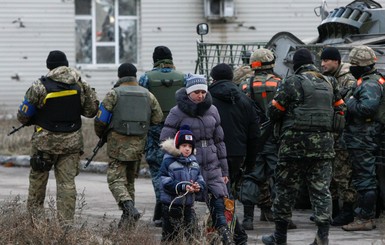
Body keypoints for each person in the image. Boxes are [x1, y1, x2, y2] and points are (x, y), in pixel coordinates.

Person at [261, 48, 345, 245]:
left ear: (295, 65)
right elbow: (341, 110)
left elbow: (273, 112)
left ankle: (280, 237)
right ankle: (322, 236)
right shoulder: (329, 82)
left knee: (285, 189)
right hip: (324, 147)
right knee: (321, 191)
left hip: (293, 148)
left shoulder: (291, 82)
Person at [160, 73, 246, 245]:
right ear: (189, 92)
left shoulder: (213, 110)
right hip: (190, 166)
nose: (200, 95)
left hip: (213, 165)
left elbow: (219, 141)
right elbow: (166, 140)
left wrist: (224, 171)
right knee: (184, 209)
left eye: (203, 92)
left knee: (220, 204)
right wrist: (179, 158)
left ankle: (232, 237)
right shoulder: (177, 112)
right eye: (196, 92)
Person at [16, 50, 99, 224]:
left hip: (44, 145)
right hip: (71, 144)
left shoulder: (39, 86)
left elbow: (22, 116)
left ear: (49, 67)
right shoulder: (80, 84)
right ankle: (65, 226)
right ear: (66, 65)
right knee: (67, 185)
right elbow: (91, 111)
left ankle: (35, 224)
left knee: (38, 183)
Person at [94, 63, 163, 228]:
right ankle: (128, 220)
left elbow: (100, 120)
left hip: (117, 143)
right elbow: (158, 117)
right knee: (130, 181)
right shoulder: (148, 95)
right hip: (139, 143)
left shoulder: (113, 94)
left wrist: (102, 134)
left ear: (120, 76)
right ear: (134, 76)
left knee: (115, 179)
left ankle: (128, 207)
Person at [239, 48, 297, 230]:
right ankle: (283, 218)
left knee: (251, 177)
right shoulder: (281, 83)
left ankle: (248, 218)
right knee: (280, 177)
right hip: (276, 138)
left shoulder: (244, 85)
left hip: (254, 138)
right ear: (271, 63)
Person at [138, 45, 186, 227]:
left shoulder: (146, 78)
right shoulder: (184, 78)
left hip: (155, 132)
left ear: (154, 59)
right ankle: (179, 208)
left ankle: (162, 206)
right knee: (181, 169)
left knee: (158, 170)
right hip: (179, 132)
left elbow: (142, 102)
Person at [341, 45, 383, 231]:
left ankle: (365, 218)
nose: (352, 67)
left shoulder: (370, 83)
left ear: (364, 66)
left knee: (365, 178)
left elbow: (367, 108)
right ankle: (366, 215)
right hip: (362, 136)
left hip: (363, 137)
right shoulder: (367, 80)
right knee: (364, 177)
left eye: (355, 64)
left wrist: (348, 101)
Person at [320, 46, 357, 226]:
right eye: (322, 60)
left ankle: (347, 212)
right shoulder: (329, 79)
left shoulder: (347, 80)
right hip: (331, 135)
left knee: (343, 174)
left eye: (326, 60)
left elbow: (345, 107)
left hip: (342, 135)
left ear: (336, 61)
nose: (323, 64)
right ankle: (332, 211)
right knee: (331, 175)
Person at [159, 125, 206, 243]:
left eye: (190, 146)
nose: (187, 149)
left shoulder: (194, 163)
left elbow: (200, 178)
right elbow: (165, 181)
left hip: (188, 207)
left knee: (193, 235)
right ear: (177, 146)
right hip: (171, 206)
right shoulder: (168, 161)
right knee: (171, 238)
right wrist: (182, 186)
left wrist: (198, 186)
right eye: (184, 145)